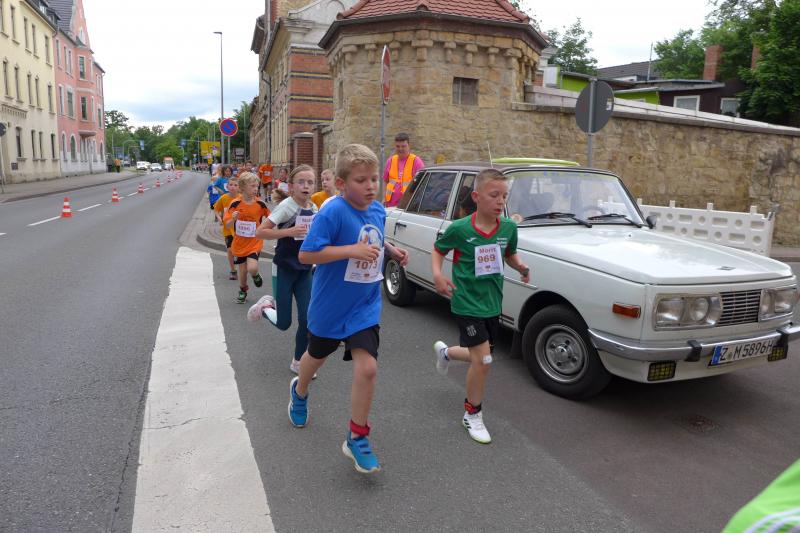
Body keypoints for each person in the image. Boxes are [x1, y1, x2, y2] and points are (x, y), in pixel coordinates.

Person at [287, 144, 408, 474]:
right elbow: (307, 255)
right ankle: (300, 391)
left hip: (364, 304)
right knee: (315, 357)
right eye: (361, 180)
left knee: (368, 368)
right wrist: (350, 251)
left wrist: (392, 250)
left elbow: (374, 237)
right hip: (330, 305)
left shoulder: (378, 210)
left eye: (374, 179)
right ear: (341, 183)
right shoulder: (332, 212)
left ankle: (357, 436)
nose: (371, 186)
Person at [431, 168, 530, 444]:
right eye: (494, 195)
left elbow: (509, 253)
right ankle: (472, 414)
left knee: (480, 355)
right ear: (476, 197)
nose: (500, 201)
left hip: (492, 303)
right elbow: (438, 250)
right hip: (466, 302)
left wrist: (520, 266)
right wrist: (438, 275)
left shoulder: (508, 228)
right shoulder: (460, 229)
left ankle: (446, 353)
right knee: (484, 360)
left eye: (504, 196)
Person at [251, 164, 318, 375]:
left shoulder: (314, 208)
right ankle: (265, 307)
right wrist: (289, 232)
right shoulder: (286, 207)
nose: (306, 186)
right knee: (283, 323)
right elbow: (260, 232)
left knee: (307, 320)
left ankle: (298, 361)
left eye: (310, 182)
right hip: (284, 268)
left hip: (304, 269)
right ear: (291, 186)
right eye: (301, 182)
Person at [223, 173, 270, 304]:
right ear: (242, 187)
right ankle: (243, 289)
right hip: (239, 243)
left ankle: (255, 275)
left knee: (252, 268)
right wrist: (233, 219)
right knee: (242, 272)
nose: (256, 189)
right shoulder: (235, 204)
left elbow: (271, 218)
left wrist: (267, 230)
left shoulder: (260, 204)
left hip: (255, 242)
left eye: (257, 186)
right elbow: (227, 225)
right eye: (252, 186)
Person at [383, 132, 425, 208]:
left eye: (403, 146)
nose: (400, 149)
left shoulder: (416, 161)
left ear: (409, 146)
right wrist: (384, 199)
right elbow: (386, 181)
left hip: (407, 207)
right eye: (398, 146)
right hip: (390, 206)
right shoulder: (390, 161)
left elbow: (423, 184)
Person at [213, 175, 241, 281]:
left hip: (240, 229)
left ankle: (242, 266)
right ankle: (233, 270)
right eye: (231, 185)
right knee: (230, 250)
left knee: (240, 250)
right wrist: (219, 218)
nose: (233, 187)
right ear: (227, 187)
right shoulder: (224, 198)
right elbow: (216, 209)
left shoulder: (242, 198)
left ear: (239, 187)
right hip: (228, 229)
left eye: (235, 185)